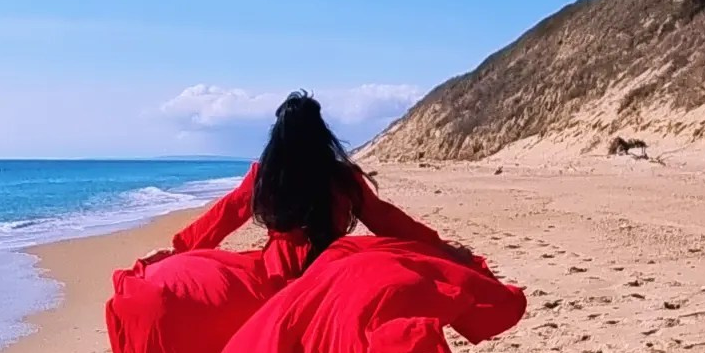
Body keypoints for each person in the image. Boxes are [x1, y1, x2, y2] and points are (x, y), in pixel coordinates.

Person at [152, 90, 472, 278]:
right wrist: (438, 247)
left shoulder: (266, 175)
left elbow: (225, 215)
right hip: (332, 268)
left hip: (277, 272)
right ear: (321, 133)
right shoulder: (341, 176)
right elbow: (386, 220)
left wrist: (179, 251)